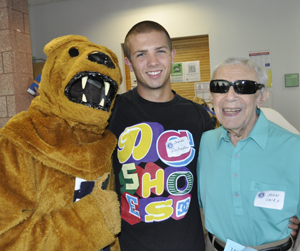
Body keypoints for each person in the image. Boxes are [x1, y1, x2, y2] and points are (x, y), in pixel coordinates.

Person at [107, 20, 215, 251]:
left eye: (160, 51)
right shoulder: (112, 113)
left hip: (188, 245)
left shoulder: (199, 117)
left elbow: (222, 177)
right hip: (129, 245)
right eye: (141, 54)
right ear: (128, 62)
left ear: (173, 55)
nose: (153, 62)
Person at [197, 57, 300, 251]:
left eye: (243, 87)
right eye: (220, 87)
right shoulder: (205, 143)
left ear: (261, 96)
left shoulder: (294, 148)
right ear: (212, 96)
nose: (230, 97)